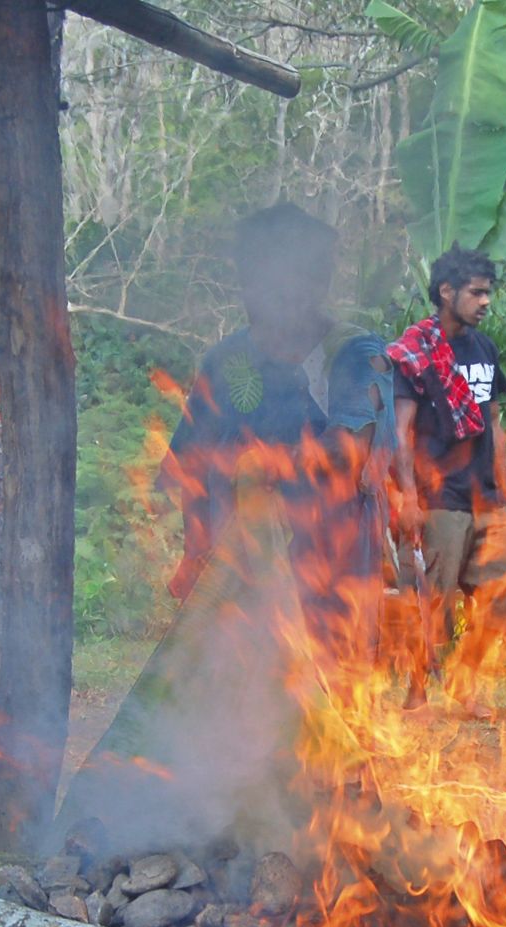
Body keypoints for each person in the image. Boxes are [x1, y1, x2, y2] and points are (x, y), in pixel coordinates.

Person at [161, 203, 393, 656]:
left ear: (315, 284)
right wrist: (195, 554)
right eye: (250, 281)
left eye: (273, 282)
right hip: (238, 592)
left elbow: (348, 453)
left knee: (329, 717)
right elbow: (191, 467)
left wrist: (262, 466)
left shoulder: (354, 354)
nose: (256, 297)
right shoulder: (226, 361)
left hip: (330, 590)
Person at [387, 246, 506, 708]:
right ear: (446, 292)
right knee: (433, 600)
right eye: (476, 292)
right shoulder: (416, 353)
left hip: (485, 495)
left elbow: (493, 424)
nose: (486, 301)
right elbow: (401, 432)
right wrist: (407, 496)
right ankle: (416, 690)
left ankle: (464, 680)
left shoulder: (484, 348)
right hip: (438, 497)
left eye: (489, 292)